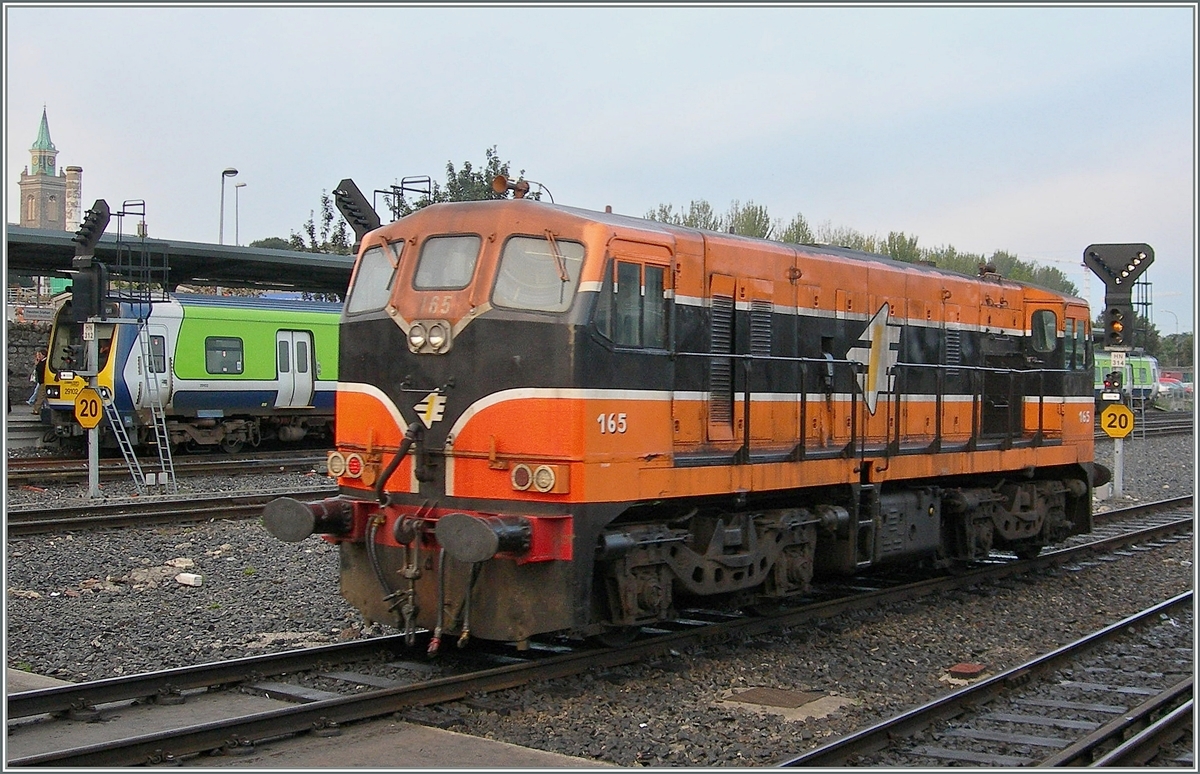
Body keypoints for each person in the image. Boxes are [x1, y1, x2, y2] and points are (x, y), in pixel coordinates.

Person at [27, 349, 47, 413]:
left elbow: (40, 370)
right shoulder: (42, 362)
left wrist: (37, 364)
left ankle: (36, 409)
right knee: (41, 395)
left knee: (40, 395)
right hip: (41, 381)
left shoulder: (44, 362)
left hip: (43, 381)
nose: (39, 356)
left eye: (40, 355)